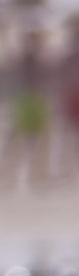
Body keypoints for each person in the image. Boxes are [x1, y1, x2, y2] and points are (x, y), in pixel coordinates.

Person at [0, 31, 51, 192]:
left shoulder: (39, 59)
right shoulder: (25, 60)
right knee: (18, 140)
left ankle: (38, 176)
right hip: (26, 101)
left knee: (40, 141)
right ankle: (7, 175)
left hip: (36, 101)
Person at [58, 21, 79, 180]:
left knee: (69, 134)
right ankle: (66, 170)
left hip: (71, 93)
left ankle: (68, 170)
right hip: (72, 94)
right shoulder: (70, 53)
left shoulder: (70, 53)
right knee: (68, 133)